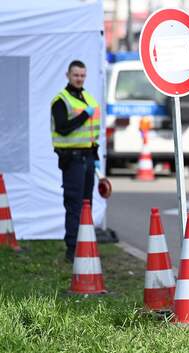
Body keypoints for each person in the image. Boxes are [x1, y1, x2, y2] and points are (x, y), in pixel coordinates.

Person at [51, 60, 100, 262]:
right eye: (76, 75)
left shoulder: (88, 97)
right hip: (72, 160)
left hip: (88, 157)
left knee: (87, 204)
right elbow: (63, 127)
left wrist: (95, 158)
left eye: (82, 75)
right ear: (68, 75)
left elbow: (91, 133)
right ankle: (72, 249)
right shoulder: (60, 101)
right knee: (74, 204)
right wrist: (83, 117)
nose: (79, 78)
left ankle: (85, 245)